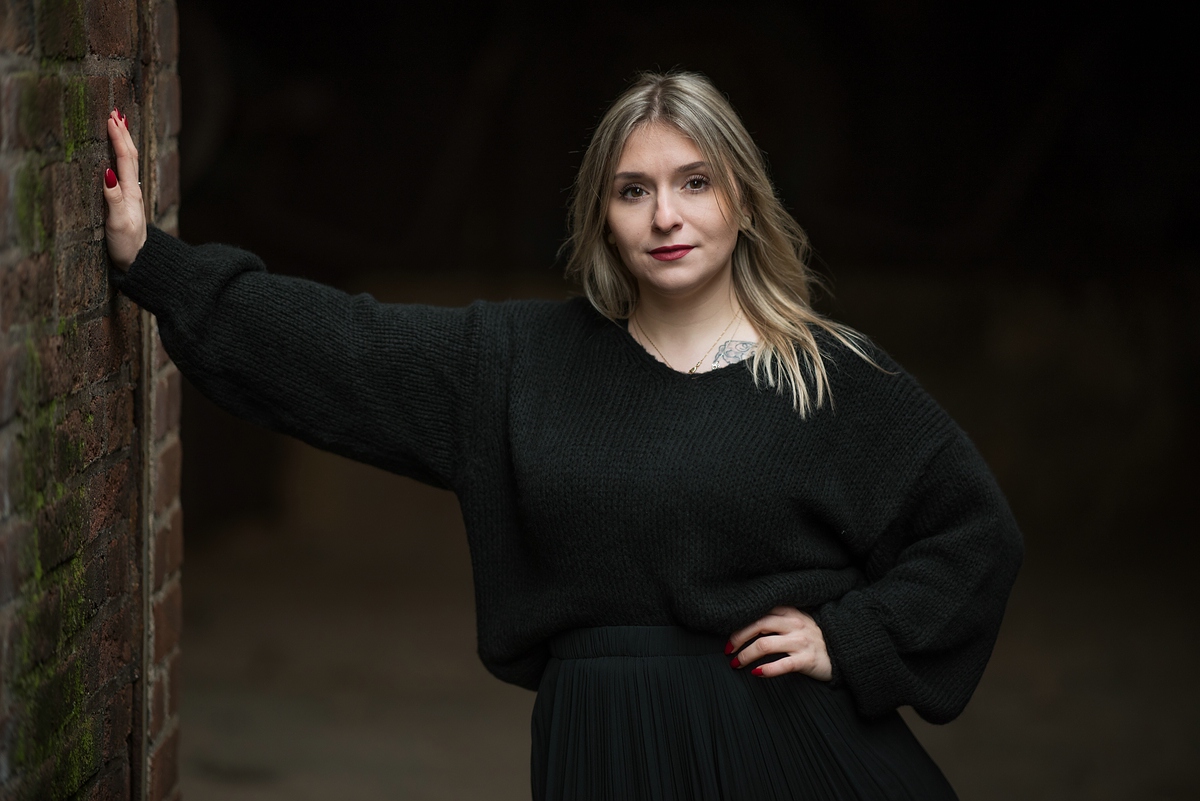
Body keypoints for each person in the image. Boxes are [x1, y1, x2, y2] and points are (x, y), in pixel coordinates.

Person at [102, 72, 1023, 800]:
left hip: (790, 740)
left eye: (695, 182)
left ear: (741, 202)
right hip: (605, 744)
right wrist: (157, 265)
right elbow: (340, 348)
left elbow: (974, 534)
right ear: (602, 218)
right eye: (634, 190)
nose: (666, 215)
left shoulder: (829, 374)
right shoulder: (517, 363)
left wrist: (850, 639)